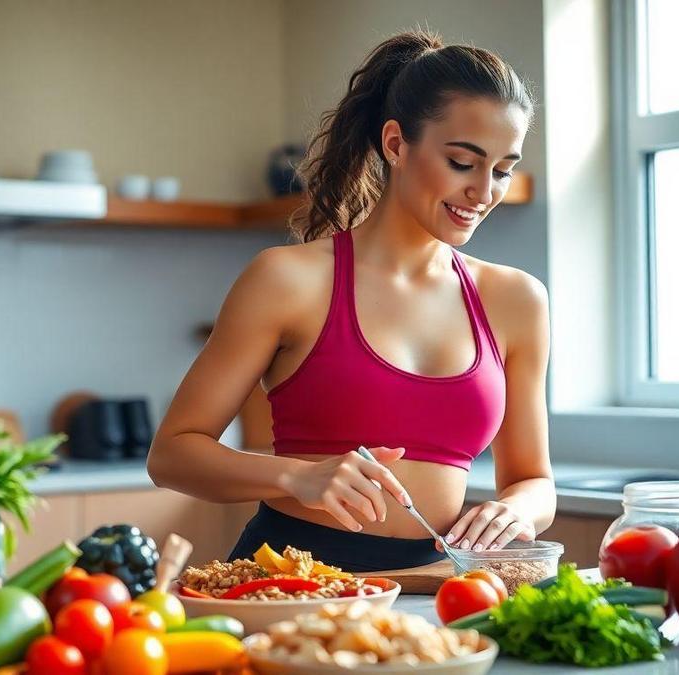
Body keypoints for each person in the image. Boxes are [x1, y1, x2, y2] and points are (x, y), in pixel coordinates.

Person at [147, 29, 555, 572]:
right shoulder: (287, 280)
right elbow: (173, 453)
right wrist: (296, 474)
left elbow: (534, 479)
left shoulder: (517, 300)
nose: (484, 193)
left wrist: (515, 510)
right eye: (463, 162)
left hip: (435, 583)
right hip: (290, 579)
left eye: (503, 170)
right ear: (395, 144)